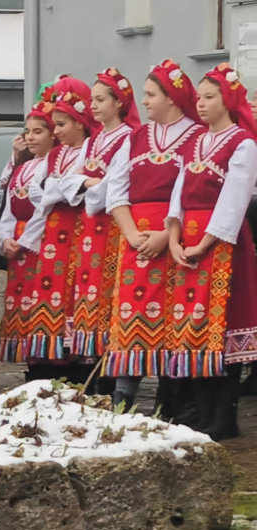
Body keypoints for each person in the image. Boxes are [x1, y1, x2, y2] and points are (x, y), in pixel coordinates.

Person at [104, 60, 205, 408]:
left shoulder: (197, 137)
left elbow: (192, 190)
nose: (143, 101)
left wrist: (166, 235)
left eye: (150, 95)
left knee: (175, 315)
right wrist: (131, 234)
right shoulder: (134, 138)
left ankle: (172, 395)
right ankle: (124, 392)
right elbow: (115, 191)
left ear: (172, 98)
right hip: (136, 235)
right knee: (132, 311)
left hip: (177, 237)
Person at [164, 62, 257, 440]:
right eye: (199, 97)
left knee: (223, 325)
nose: (200, 104)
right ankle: (202, 411)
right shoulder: (195, 142)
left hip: (223, 241)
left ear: (228, 100)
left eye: (209, 97)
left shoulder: (243, 143)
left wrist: (206, 241)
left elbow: (235, 197)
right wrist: (173, 234)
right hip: (189, 236)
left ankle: (225, 414)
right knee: (193, 326)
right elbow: (178, 192)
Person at [15, 76, 98, 383]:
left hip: (79, 231)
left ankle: (79, 365)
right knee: (52, 296)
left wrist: (63, 187)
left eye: (61, 124)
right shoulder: (56, 155)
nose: (57, 131)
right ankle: (50, 365)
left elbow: (75, 187)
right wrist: (67, 186)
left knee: (76, 297)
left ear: (79, 120)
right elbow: (40, 192)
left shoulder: (90, 149)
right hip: (53, 234)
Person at [70, 69, 140, 365]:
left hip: (111, 222)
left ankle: (108, 360)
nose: (93, 106)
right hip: (89, 225)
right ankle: (91, 354)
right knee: (88, 286)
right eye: (92, 100)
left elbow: (112, 186)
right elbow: (65, 182)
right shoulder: (92, 141)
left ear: (118, 102)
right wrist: (86, 183)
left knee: (107, 285)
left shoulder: (128, 138)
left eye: (100, 99)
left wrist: (86, 186)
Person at [0, 94, 55, 364]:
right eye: (28, 132)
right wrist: (6, 237)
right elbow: (9, 205)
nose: (30, 138)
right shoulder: (25, 166)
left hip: (40, 242)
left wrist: (26, 239)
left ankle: (46, 359)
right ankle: (28, 360)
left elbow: (44, 208)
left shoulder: (53, 165)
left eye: (38, 131)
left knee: (39, 300)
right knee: (20, 302)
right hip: (19, 246)